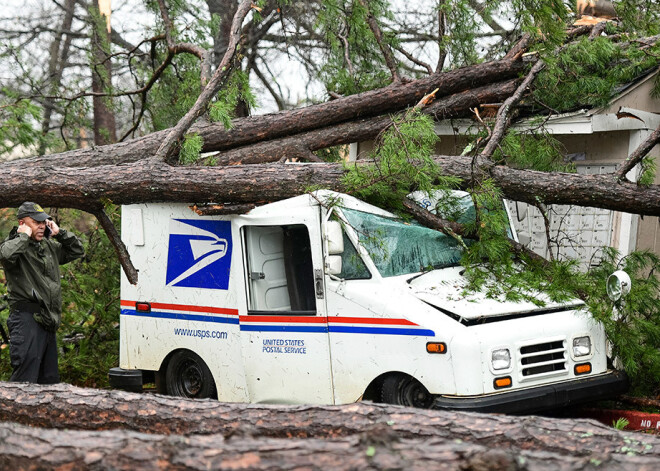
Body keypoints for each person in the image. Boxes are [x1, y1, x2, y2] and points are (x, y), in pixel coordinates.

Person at [0, 202, 84, 383]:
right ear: (22, 223)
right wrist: (23, 237)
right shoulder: (14, 246)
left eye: (44, 222)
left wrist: (59, 233)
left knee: (49, 382)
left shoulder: (48, 246)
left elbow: (77, 250)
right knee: (25, 380)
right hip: (26, 320)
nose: (42, 226)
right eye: (36, 222)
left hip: (47, 321)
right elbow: (5, 256)